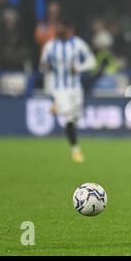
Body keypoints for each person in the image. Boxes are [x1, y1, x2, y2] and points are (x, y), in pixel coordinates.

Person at [40, 17, 96, 163]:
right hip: (60, 89)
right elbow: (43, 65)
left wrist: (78, 68)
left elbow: (92, 62)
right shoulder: (50, 46)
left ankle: (57, 108)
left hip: (76, 89)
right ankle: (76, 150)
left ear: (68, 29)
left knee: (75, 119)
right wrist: (46, 67)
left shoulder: (78, 44)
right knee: (69, 118)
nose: (59, 30)